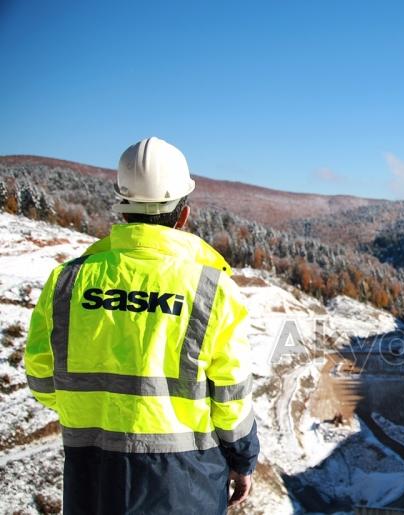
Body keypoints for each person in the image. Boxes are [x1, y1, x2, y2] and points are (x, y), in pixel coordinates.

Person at [25, 137, 259, 514]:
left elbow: (41, 382)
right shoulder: (212, 290)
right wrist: (243, 460)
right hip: (186, 486)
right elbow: (230, 400)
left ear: (123, 208)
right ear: (182, 215)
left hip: (93, 480)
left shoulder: (66, 282)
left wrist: (96, 411)